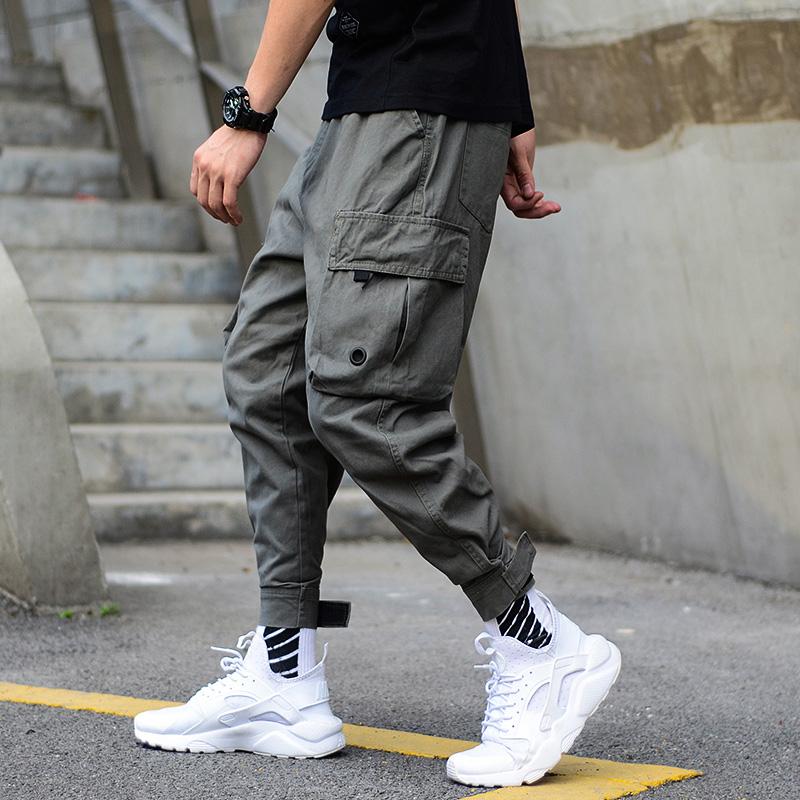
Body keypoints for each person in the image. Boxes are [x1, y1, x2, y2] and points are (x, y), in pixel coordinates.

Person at [132, 0, 621, 787]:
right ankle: (283, 672)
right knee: (269, 370)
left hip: (418, 107)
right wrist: (509, 102)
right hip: (366, 104)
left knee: (366, 397)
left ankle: (539, 643)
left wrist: (247, 112)